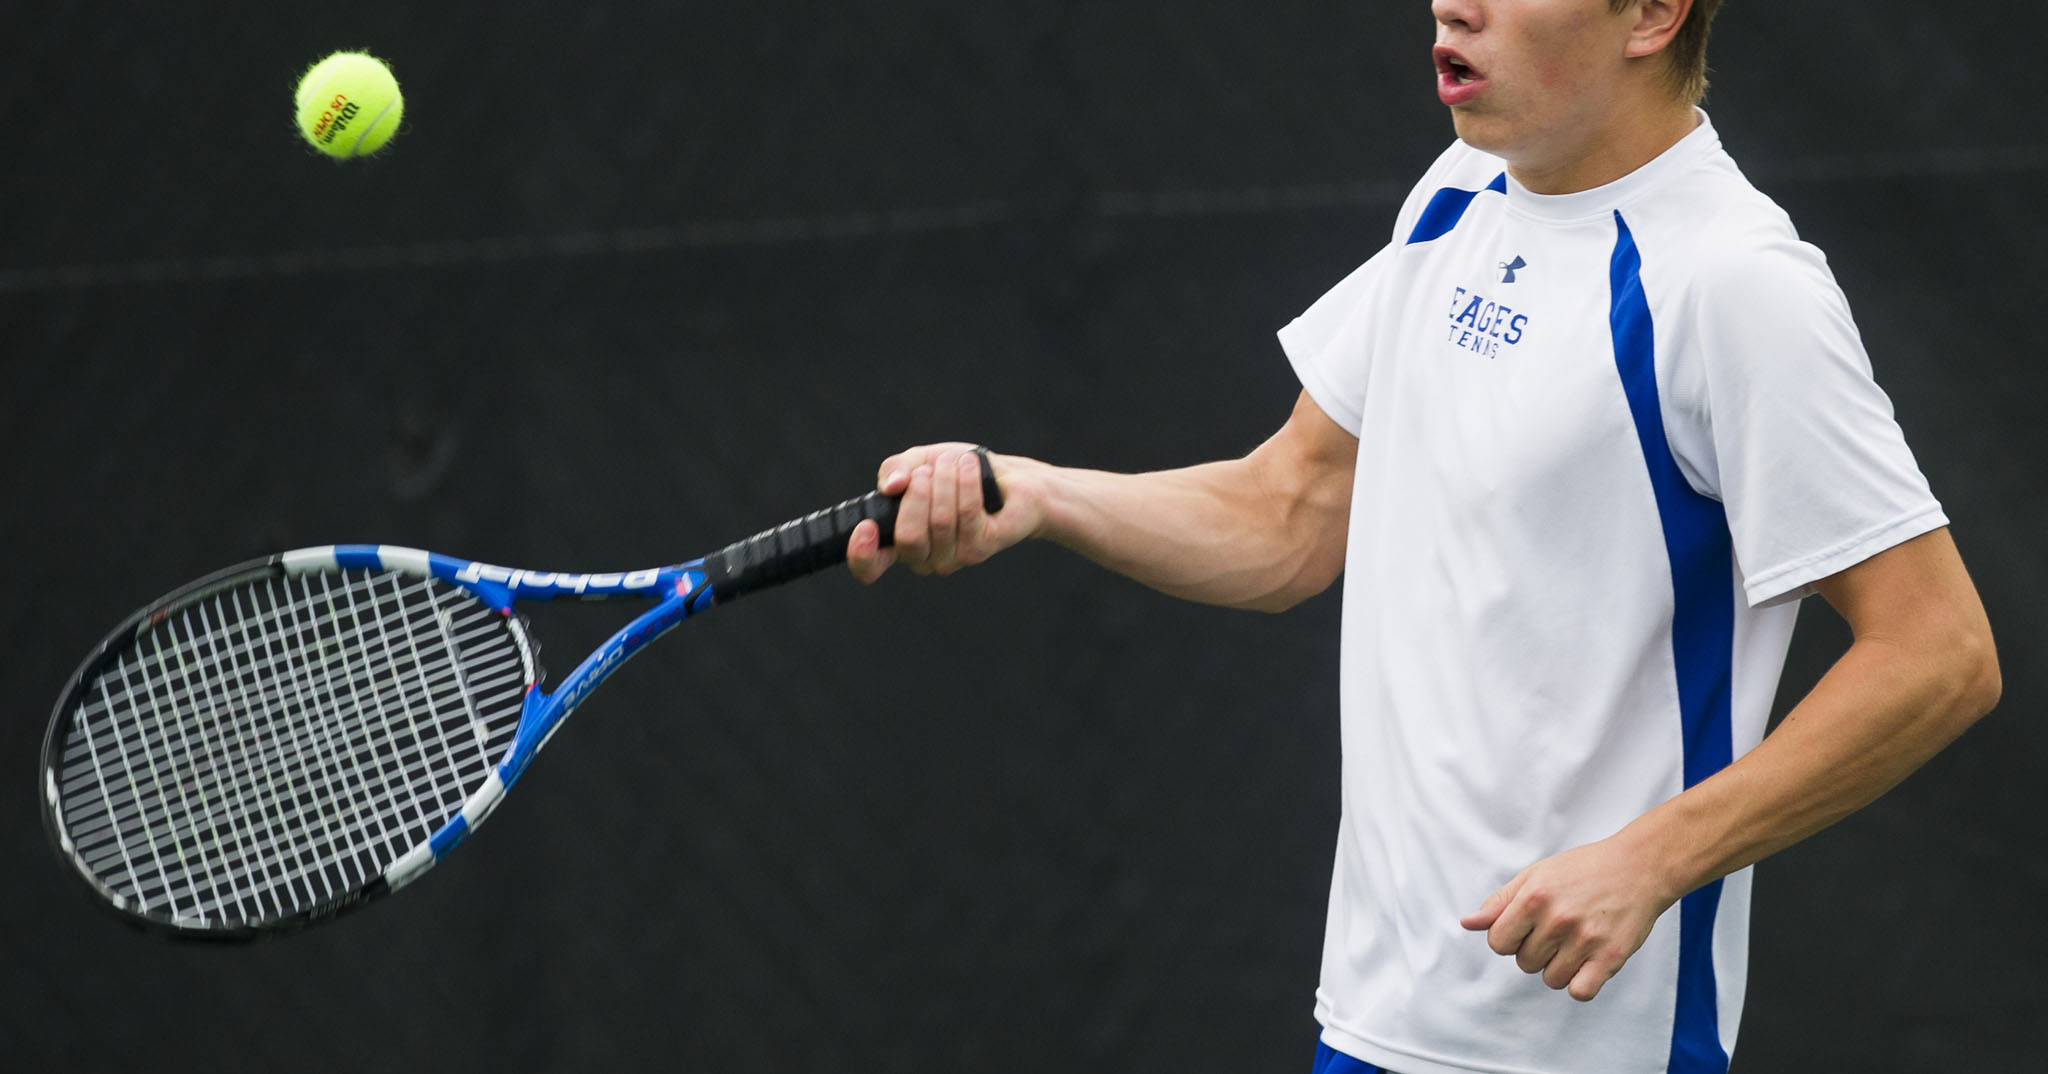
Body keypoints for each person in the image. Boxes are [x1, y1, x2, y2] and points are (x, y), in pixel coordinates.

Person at [845, 1, 2002, 1072]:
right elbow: (1285, 516)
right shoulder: (1460, 190)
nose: (1452, 3)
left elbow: (1936, 653)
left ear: (1650, 13)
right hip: (1372, 1019)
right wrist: (1039, 494)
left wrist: (1654, 856)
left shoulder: (1733, 285)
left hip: (1581, 1050)